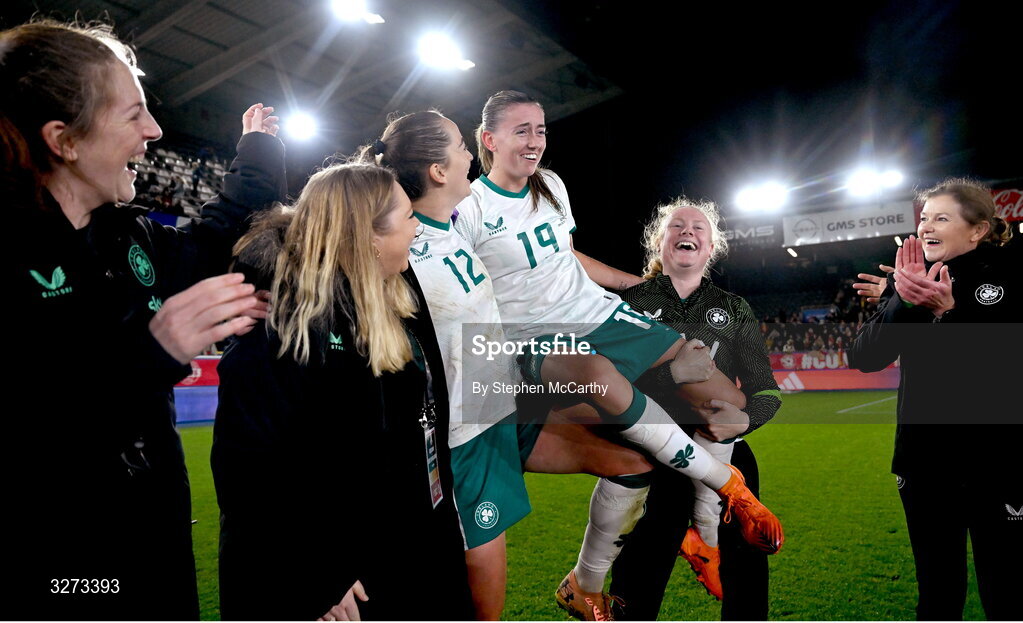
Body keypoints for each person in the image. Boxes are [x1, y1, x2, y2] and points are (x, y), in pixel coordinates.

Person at [362, 109, 703, 620]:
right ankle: (722, 496)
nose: (467, 154)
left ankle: (588, 583)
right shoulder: (403, 252)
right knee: (482, 564)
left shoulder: (455, 223)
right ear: (437, 170)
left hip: (505, 397)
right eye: (459, 145)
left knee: (633, 463)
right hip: (464, 425)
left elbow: (547, 266)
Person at [456, 90, 784, 620]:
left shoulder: (553, 187)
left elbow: (565, 257)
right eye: (522, 130)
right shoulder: (467, 209)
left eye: (540, 129)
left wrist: (634, 286)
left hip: (603, 314)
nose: (536, 140)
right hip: (536, 336)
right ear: (489, 140)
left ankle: (705, 541)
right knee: (605, 390)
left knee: (721, 399)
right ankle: (719, 499)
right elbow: (460, 289)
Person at [1, 19, 284, 620]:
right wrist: (151, 354)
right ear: (64, 140)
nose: (155, 130)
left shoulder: (128, 238)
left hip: (154, 547)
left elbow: (215, 236)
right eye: (133, 115)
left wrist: (256, 151)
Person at [212, 162, 475, 621]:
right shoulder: (283, 331)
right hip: (345, 581)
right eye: (406, 215)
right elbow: (249, 479)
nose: (417, 224)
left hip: (412, 545)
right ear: (369, 237)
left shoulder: (391, 298)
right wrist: (320, 576)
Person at [849, 178, 1021, 620]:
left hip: (998, 464)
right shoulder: (911, 282)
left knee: (1007, 591)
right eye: (924, 217)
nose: (926, 225)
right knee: (938, 596)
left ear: (978, 229)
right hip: (924, 464)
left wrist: (949, 315)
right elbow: (864, 356)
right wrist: (902, 301)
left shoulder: (1011, 275)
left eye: (941, 217)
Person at [609, 199, 782, 620]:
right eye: (677, 226)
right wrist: (673, 377)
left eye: (699, 228)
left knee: (746, 569)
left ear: (710, 248)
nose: (688, 231)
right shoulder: (626, 303)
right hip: (648, 453)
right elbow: (605, 385)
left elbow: (767, 392)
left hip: (724, 454)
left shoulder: (735, 308)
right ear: (661, 242)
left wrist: (744, 420)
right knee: (638, 576)